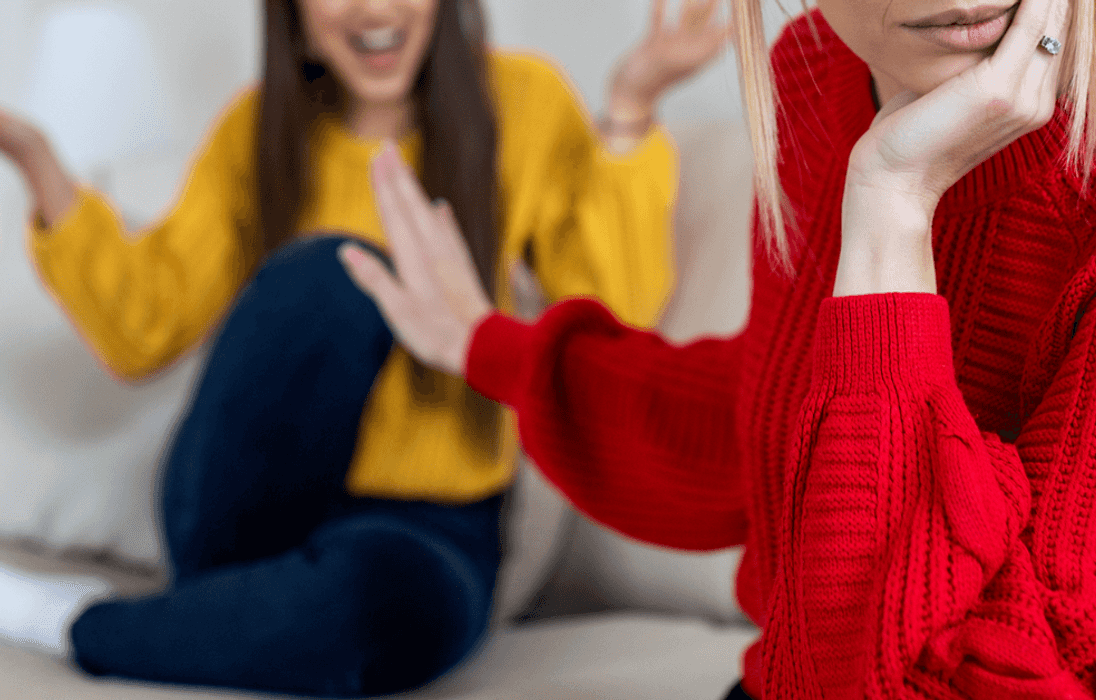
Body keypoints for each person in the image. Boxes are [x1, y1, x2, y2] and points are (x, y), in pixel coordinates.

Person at [339, 0, 1096, 697]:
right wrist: (487, 347)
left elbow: (1011, 675)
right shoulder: (814, 76)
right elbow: (774, 414)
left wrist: (892, 205)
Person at [0, 0, 729, 696]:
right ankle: (219, 611)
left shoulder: (523, 100)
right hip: (242, 514)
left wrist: (631, 104)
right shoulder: (255, 130)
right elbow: (141, 328)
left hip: (429, 527)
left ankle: (82, 623)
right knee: (334, 272)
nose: (375, 10)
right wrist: (33, 157)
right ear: (298, 20)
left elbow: (612, 312)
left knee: (386, 610)